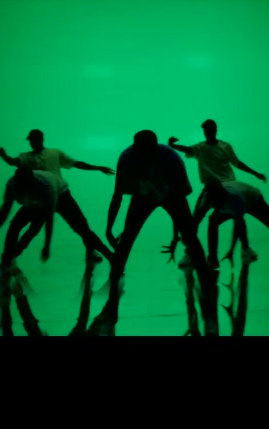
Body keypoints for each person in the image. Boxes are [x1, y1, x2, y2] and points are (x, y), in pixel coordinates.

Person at [86, 130, 219, 336]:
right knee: (126, 242)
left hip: (168, 196)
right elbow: (118, 194)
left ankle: (207, 288)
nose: (141, 153)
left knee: (191, 240)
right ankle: (113, 295)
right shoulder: (128, 156)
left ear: (154, 147)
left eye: (144, 149)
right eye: (139, 149)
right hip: (143, 197)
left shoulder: (171, 157)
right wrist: (109, 227)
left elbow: (178, 198)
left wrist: (176, 237)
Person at [0, 129, 114, 263]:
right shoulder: (28, 157)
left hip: (59, 196)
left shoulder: (53, 154)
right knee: (26, 228)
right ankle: (9, 258)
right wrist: (4, 156)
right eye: (31, 140)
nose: (32, 143)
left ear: (41, 139)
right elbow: (13, 161)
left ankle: (103, 253)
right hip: (45, 198)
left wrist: (97, 167)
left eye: (34, 140)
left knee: (80, 228)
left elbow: (76, 163)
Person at [165, 119, 267, 269]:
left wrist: (255, 173)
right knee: (195, 221)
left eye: (210, 130)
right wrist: (173, 146)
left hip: (229, 188)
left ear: (215, 130)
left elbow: (237, 163)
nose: (208, 133)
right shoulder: (200, 147)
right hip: (210, 188)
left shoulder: (225, 146)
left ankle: (244, 248)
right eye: (206, 130)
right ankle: (191, 252)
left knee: (236, 216)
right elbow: (188, 149)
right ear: (204, 132)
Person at [0, 165, 69, 333]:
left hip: (44, 205)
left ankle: (10, 259)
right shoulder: (12, 184)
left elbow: (49, 218)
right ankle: (7, 260)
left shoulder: (46, 187)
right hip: (31, 204)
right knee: (14, 226)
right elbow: (5, 210)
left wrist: (46, 245)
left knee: (31, 231)